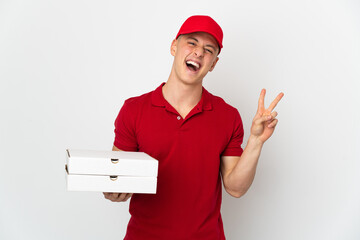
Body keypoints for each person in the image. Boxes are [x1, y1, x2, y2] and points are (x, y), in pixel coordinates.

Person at [103, 15, 284, 240]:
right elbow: (114, 179)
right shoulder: (134, 110)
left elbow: (236, 188)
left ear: (214, 63)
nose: (199, 52)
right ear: (174, 46)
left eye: (209, 49)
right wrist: (113, 191)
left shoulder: (227, 116)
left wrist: (256, 141)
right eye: (192, 42)